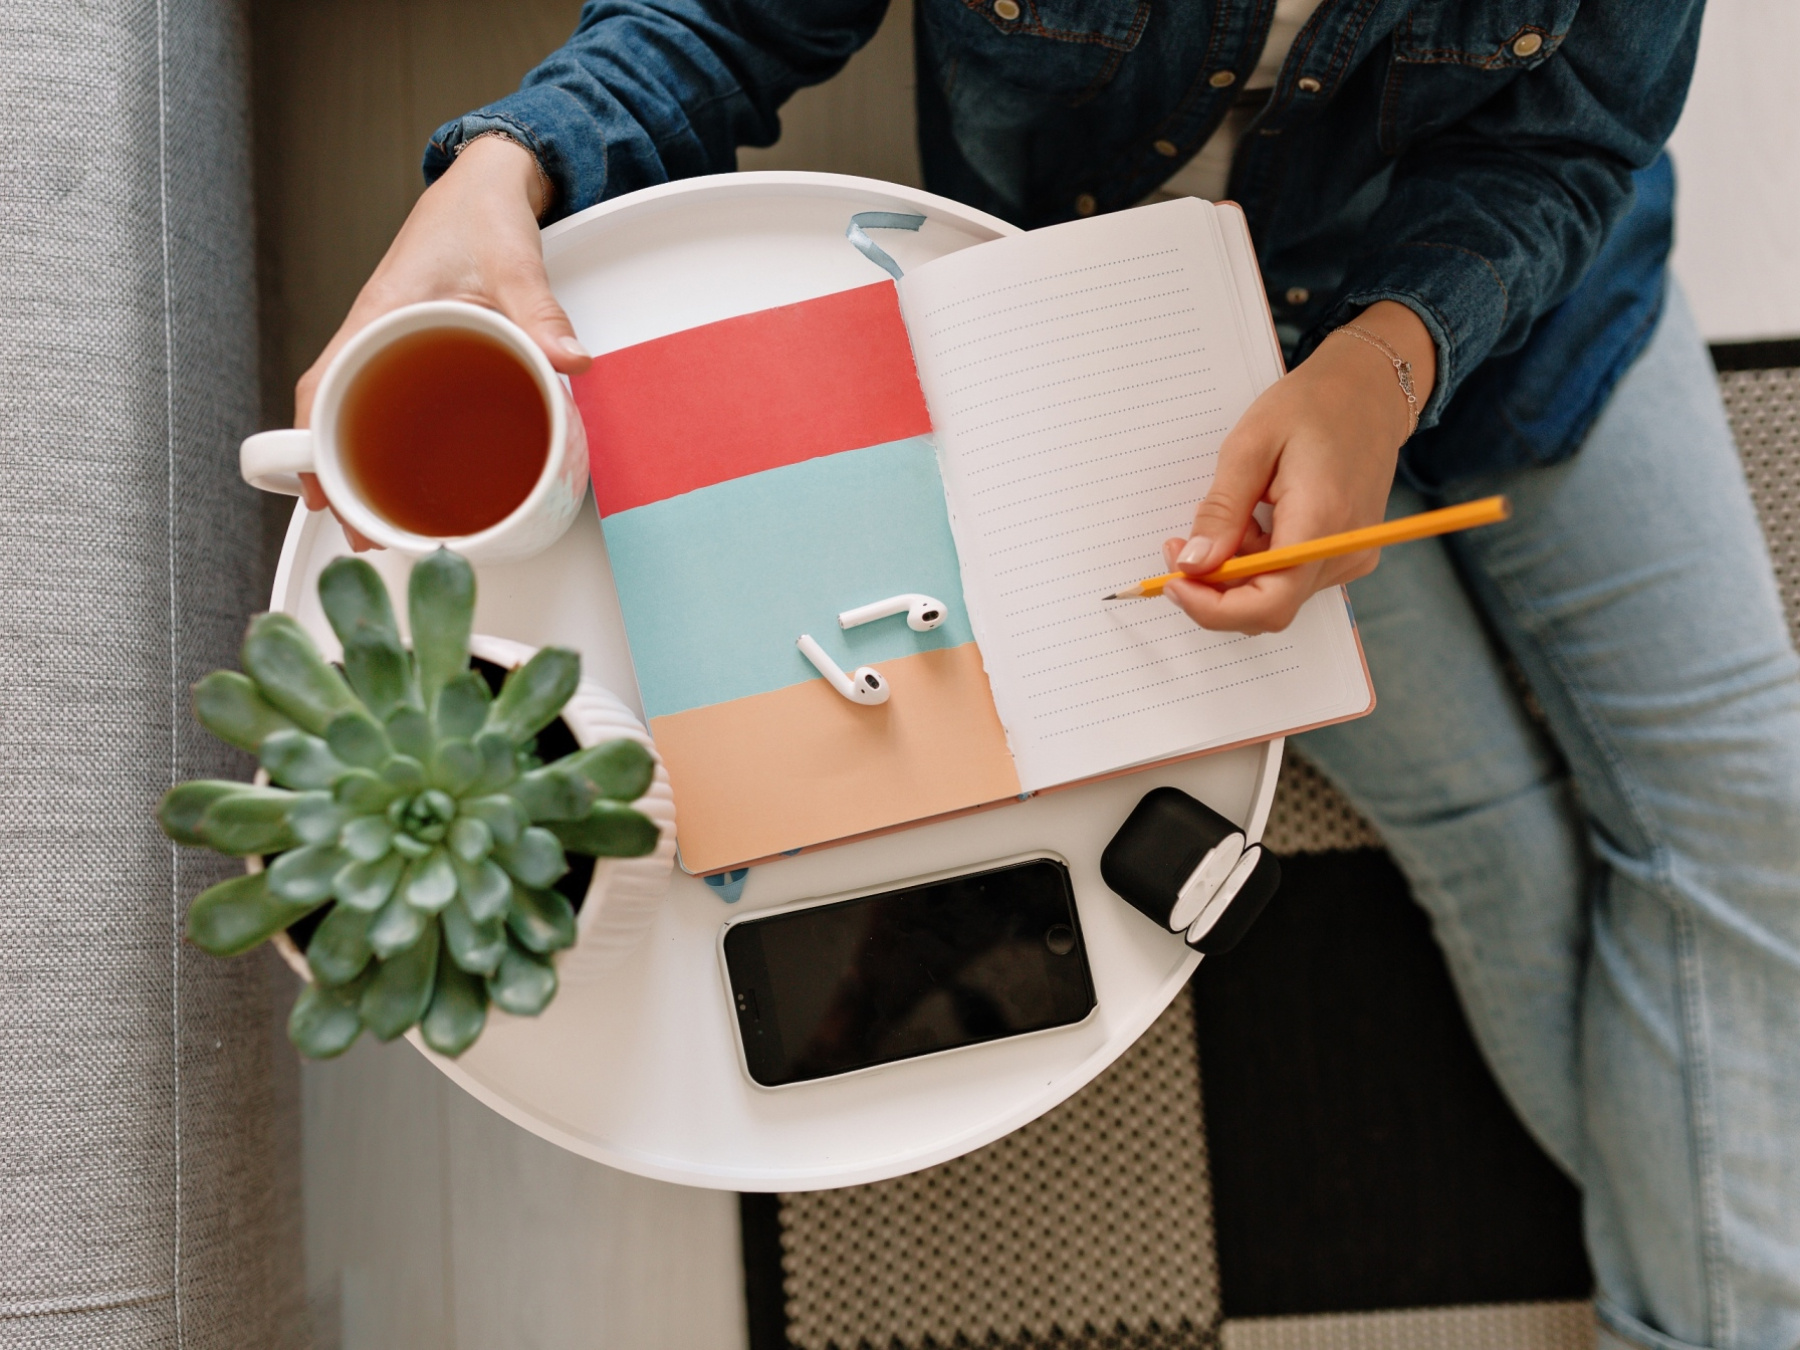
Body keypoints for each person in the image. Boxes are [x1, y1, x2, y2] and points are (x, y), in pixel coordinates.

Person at [295, 3, 1800, 1346]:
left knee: (1753, 805)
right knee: (1499, 845)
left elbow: (1570, 148)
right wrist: (502, 166)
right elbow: (729, 19)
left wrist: (1385, 363)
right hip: (1127, 375)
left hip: (1519, 311)